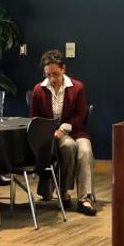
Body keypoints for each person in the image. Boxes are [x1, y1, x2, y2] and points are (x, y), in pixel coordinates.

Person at [29, 49, 96, 216]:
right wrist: (50, 131)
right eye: (48, 75)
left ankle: (84, 198)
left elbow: (81, 114)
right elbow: (34, 117)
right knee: (68, 146)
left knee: (85, 151)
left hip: (75, 130)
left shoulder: (77, 87)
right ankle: (64, 192)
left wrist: (63, 128)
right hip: (51, 135)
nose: (52, 79)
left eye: (56, 74)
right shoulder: (38, 90)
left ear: (63, 69)